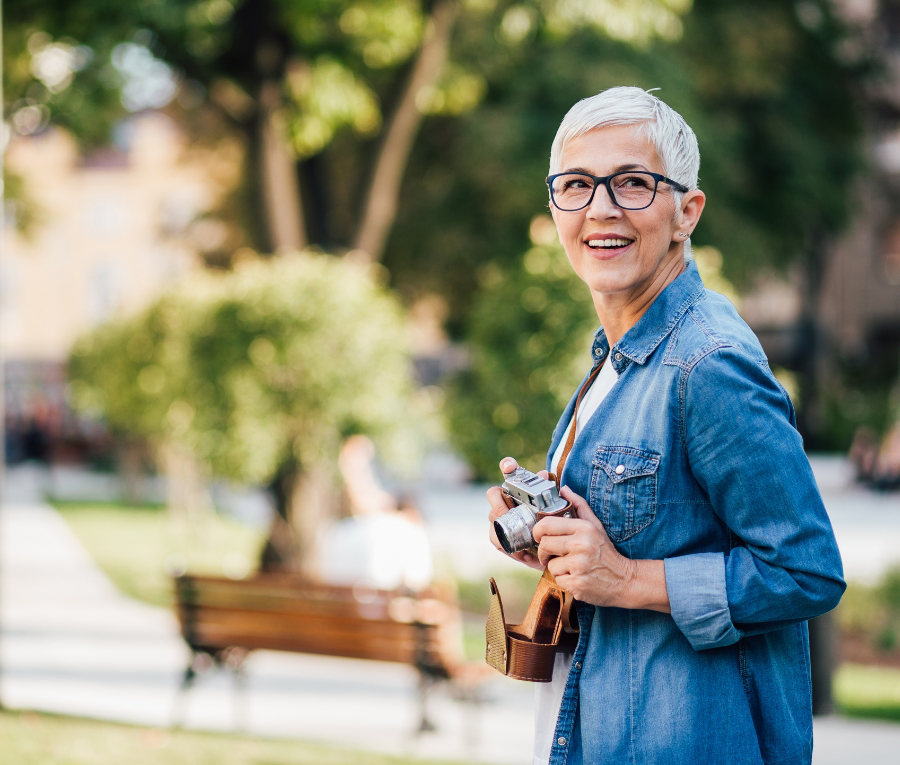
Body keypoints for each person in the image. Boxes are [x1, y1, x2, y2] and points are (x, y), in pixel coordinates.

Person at [486, 86, 845, 765]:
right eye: (577, 185)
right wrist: (555, 542)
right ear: (555, 207)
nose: (601, 208)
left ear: (687, 211)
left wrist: (624, 579)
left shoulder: (708, 363)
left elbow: (806, 571)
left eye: (632, 183)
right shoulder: (617, 356)